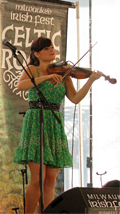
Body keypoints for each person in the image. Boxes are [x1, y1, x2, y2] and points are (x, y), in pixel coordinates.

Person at [13, 37, 103, 213]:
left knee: (51, 180)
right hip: (36, 121)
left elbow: (75, 99)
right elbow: (20, 85)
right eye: (47, 48)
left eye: (52, 47)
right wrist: (46, 77)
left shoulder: (64, 74)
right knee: (38, 178)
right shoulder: (33, 69)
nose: (52, 50)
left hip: (54, 123)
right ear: (37, 53)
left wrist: (90, 80)